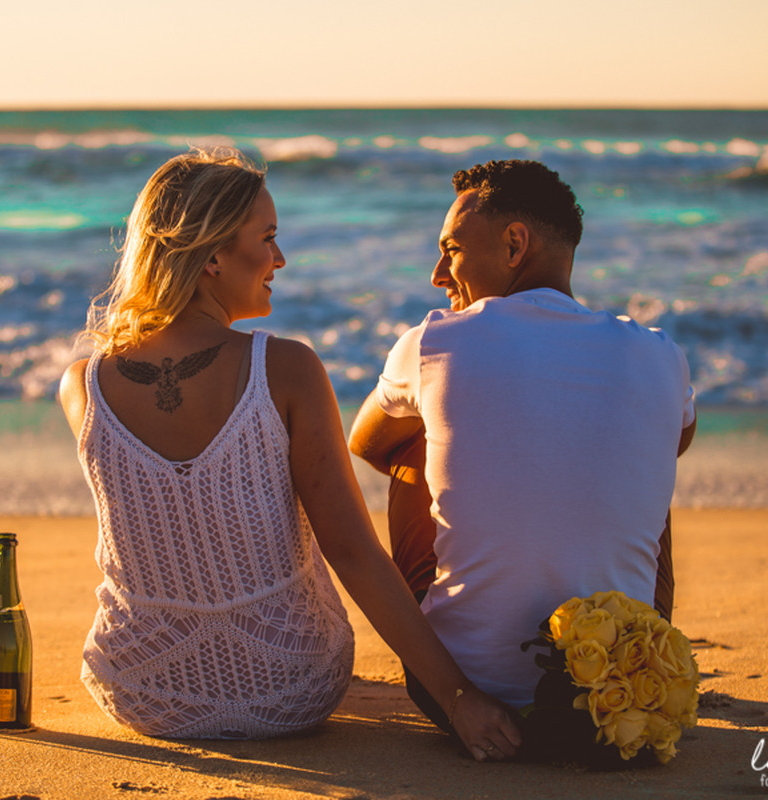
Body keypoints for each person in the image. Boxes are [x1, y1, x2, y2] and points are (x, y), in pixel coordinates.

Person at [58, 148, 521, 758]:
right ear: (214, 254)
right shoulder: (285, 368)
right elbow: (352, 552)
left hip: (143, 691)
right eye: (268, 238)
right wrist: (459, 697)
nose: (280, 258)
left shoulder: (83, 383)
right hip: (288, 690)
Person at [348, 159, 697, 728]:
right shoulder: (659, 352)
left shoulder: (436, 342)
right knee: (639, 450)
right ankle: (631, 643)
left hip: (465, 683)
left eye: (452, 249)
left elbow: (367, 442)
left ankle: (450, 647)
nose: (439, 273)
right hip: (621, 692)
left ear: (515, 245)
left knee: (412, 445)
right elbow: (678, 440)